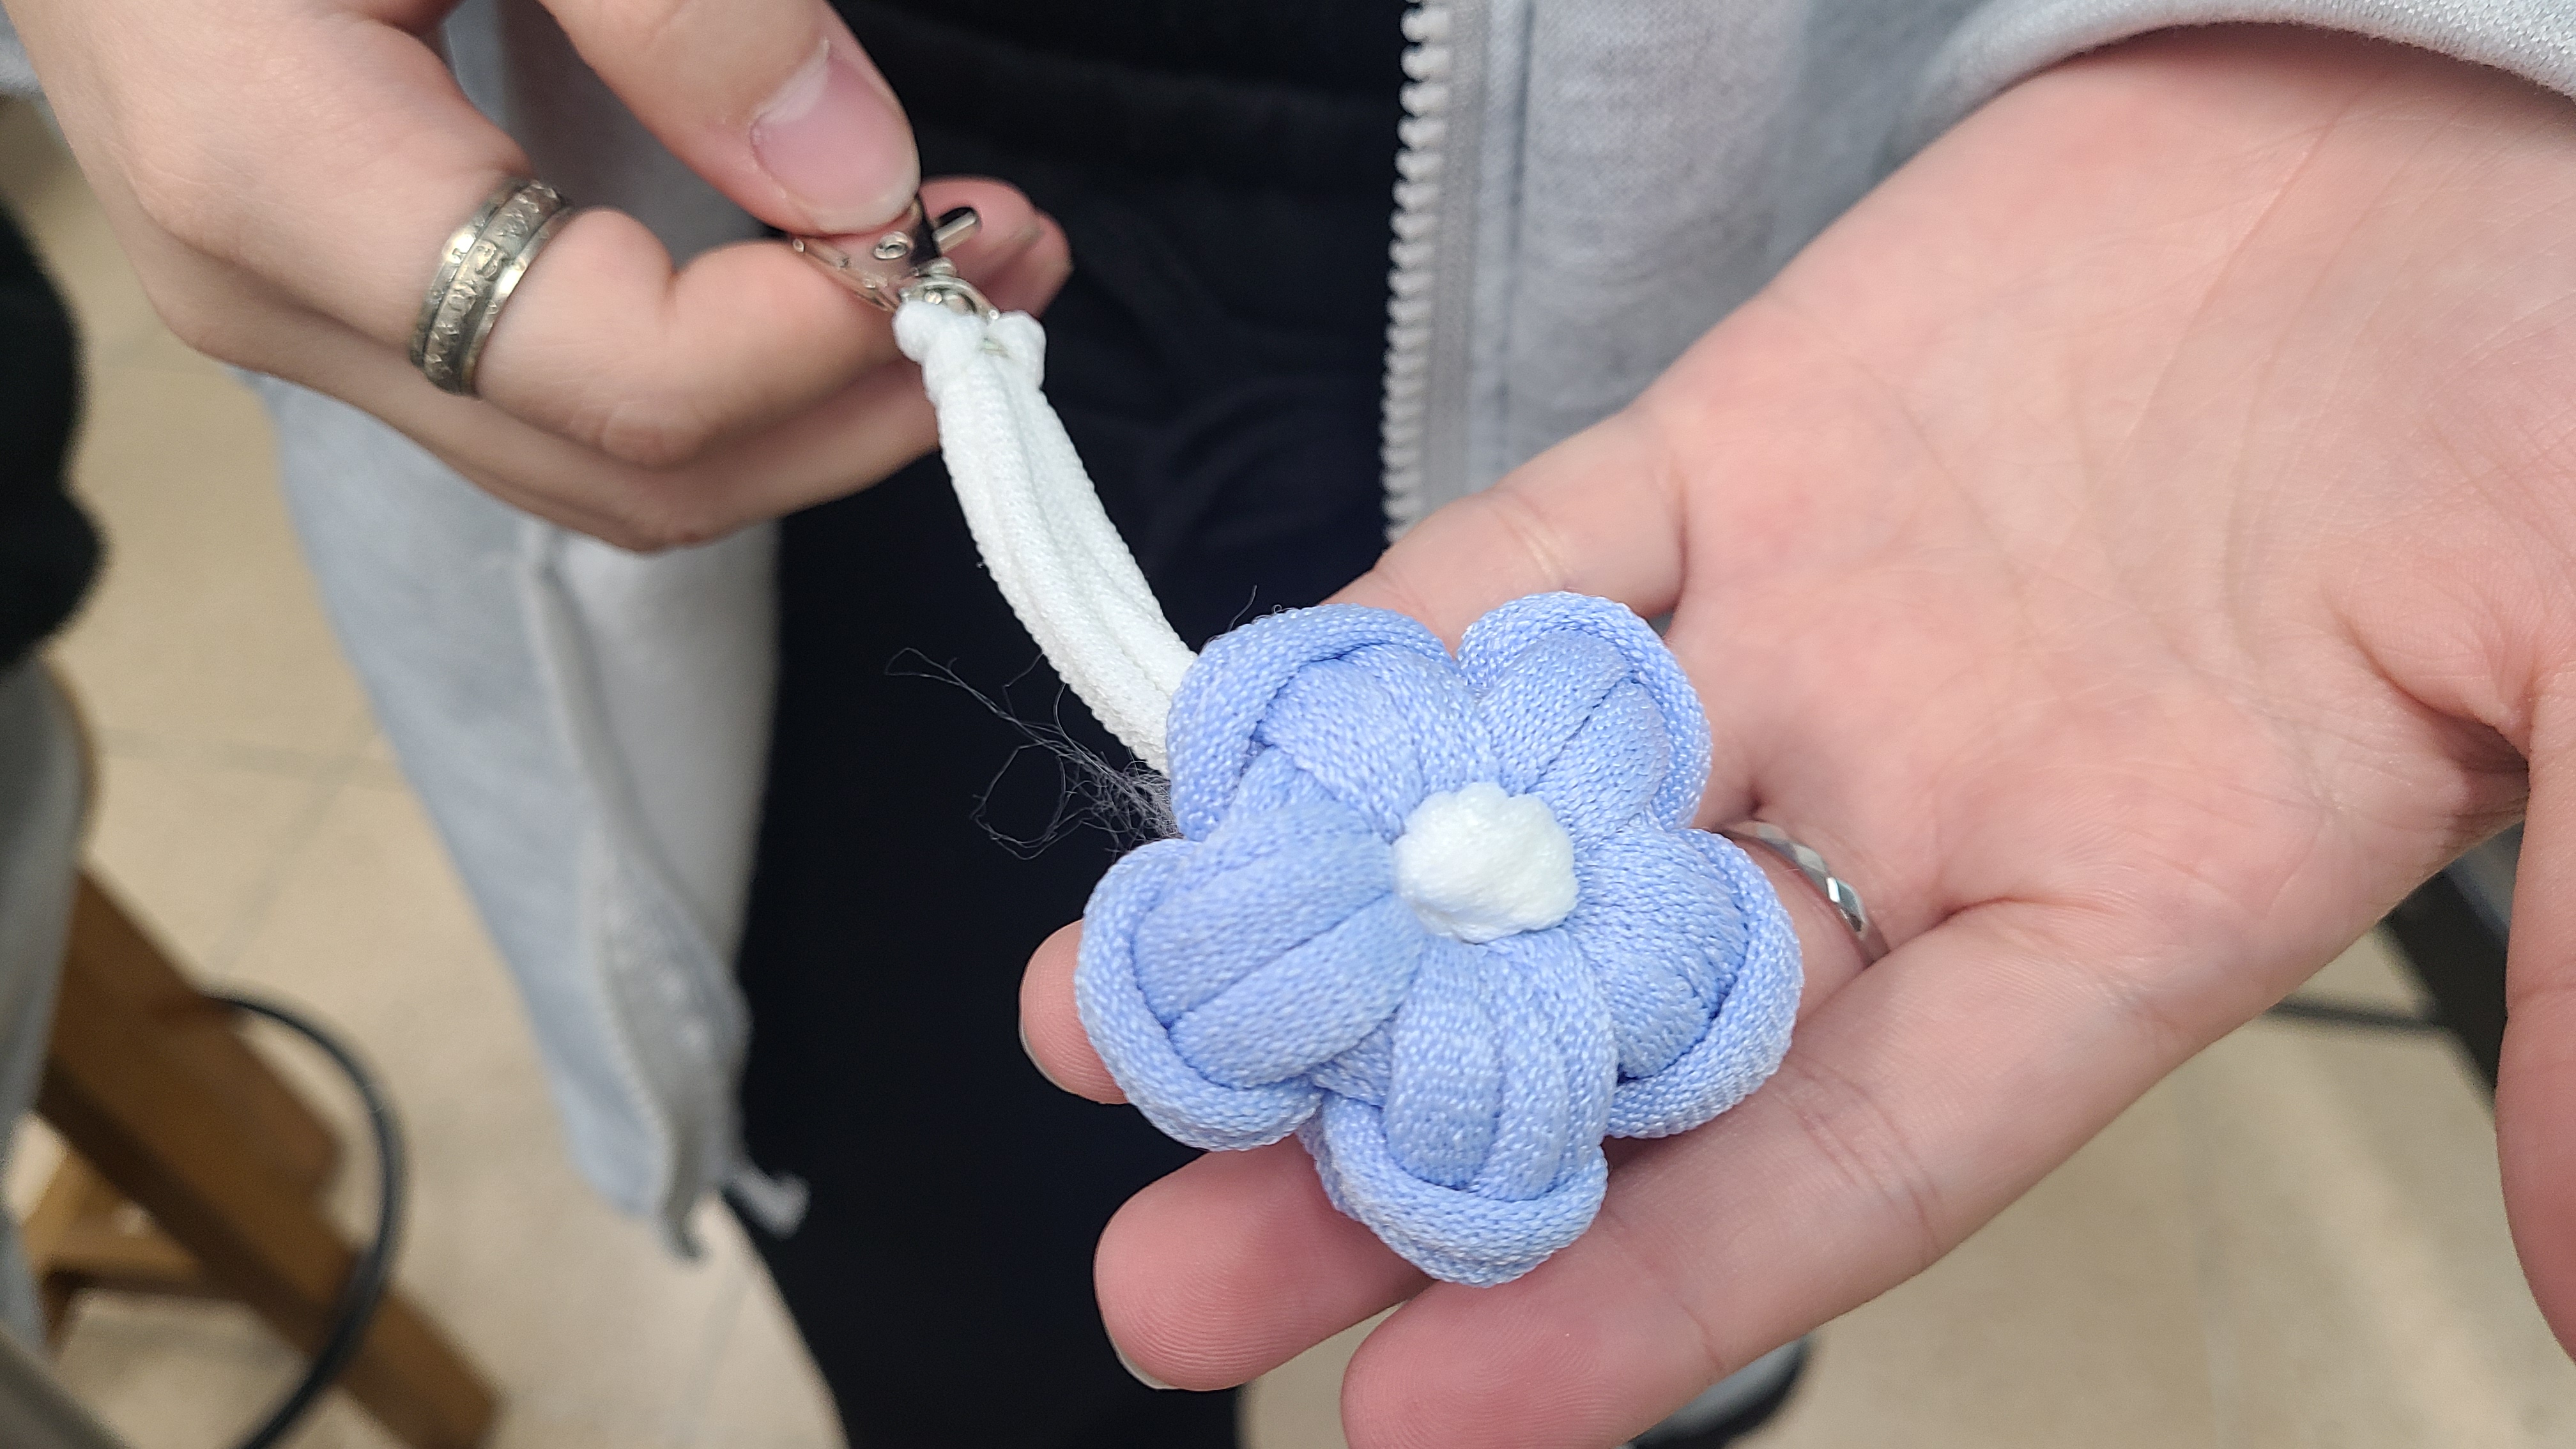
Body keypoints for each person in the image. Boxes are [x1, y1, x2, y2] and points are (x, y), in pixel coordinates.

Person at [6, 3, 2576, 1446]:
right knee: (979, 1318)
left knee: (1639, 1323)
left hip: (1872, 280)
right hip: (760, 337)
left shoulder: (1645, 867)